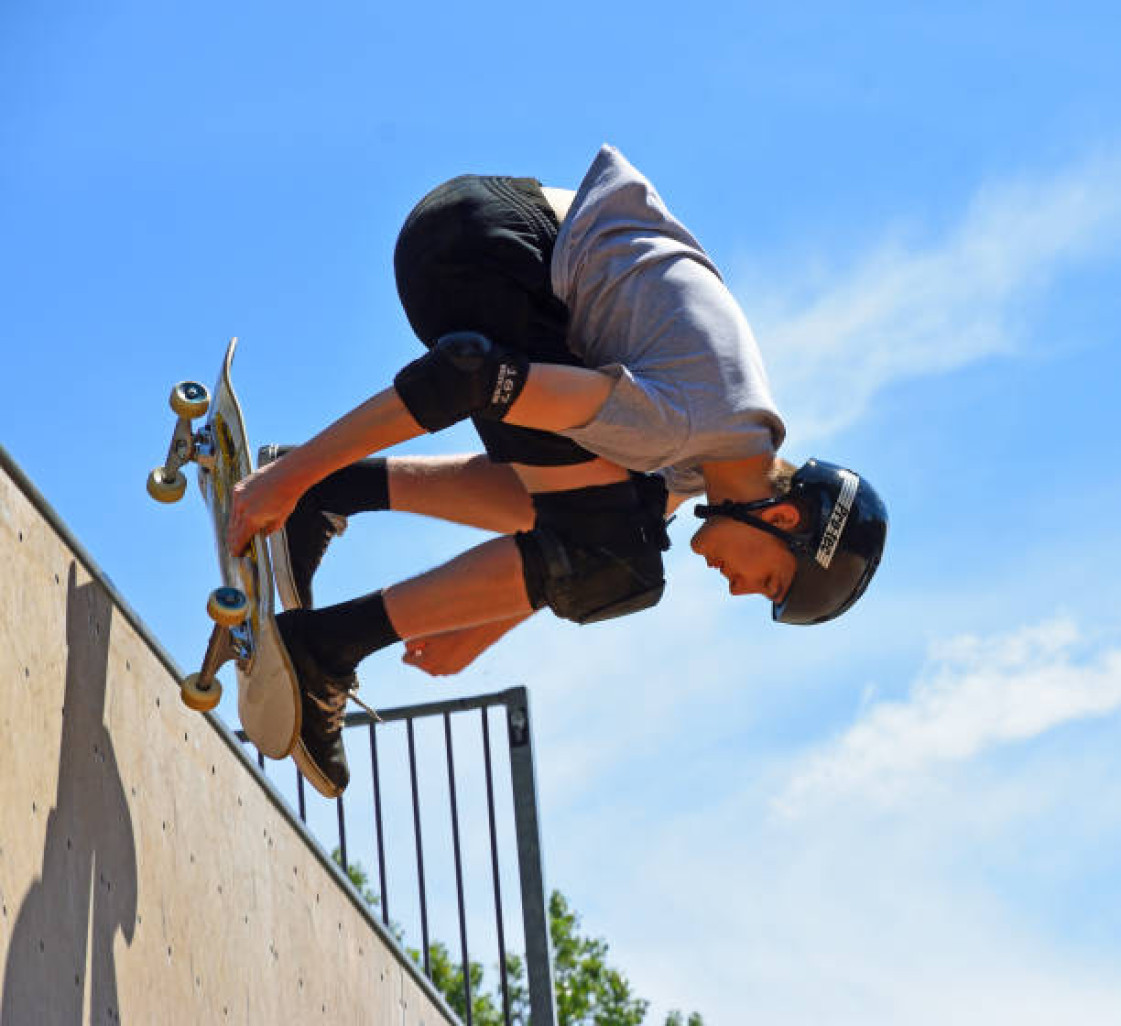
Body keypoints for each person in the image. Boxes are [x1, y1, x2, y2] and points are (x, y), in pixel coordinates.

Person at [229, 145, 888, 798]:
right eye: (768, 579)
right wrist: (282, 484)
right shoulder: (681, 423)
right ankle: (323, 645)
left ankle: (333, 495)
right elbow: (467, 378)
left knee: (602, 525)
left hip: (487, 235)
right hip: (482, 252)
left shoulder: (721, 444)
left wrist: (481, 622)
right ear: (781, 516)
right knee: (615, 564)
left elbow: (555, 531)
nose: (739, 591)